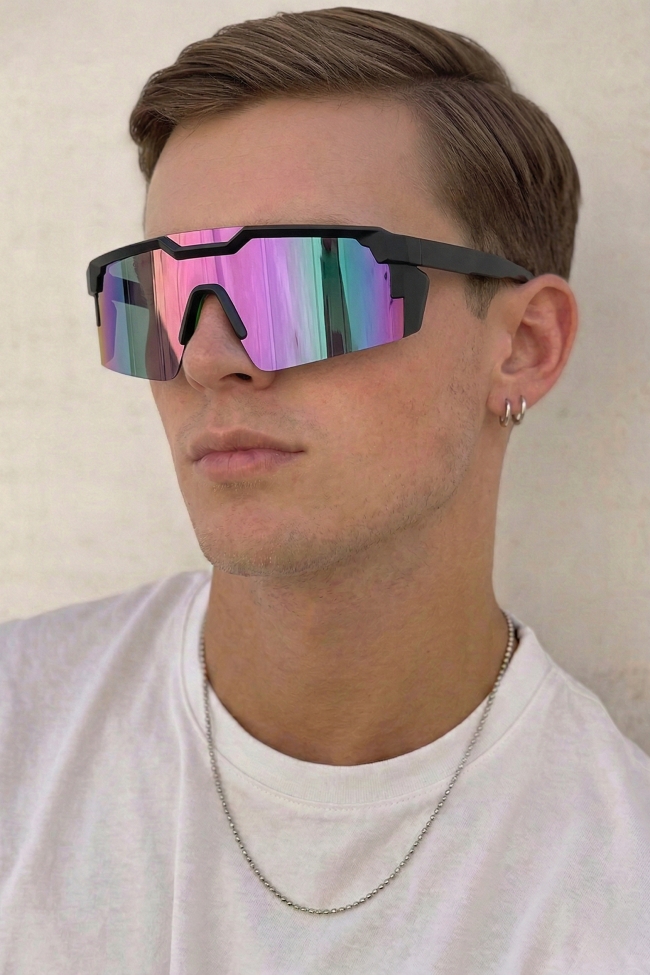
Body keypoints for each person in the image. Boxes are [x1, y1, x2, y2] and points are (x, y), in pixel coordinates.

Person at [1, 7, 648, 973]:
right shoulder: (19, 739)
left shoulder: (616, 898)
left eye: (307, 283)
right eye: (159, 298)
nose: (208, 359)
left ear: (522, 345)